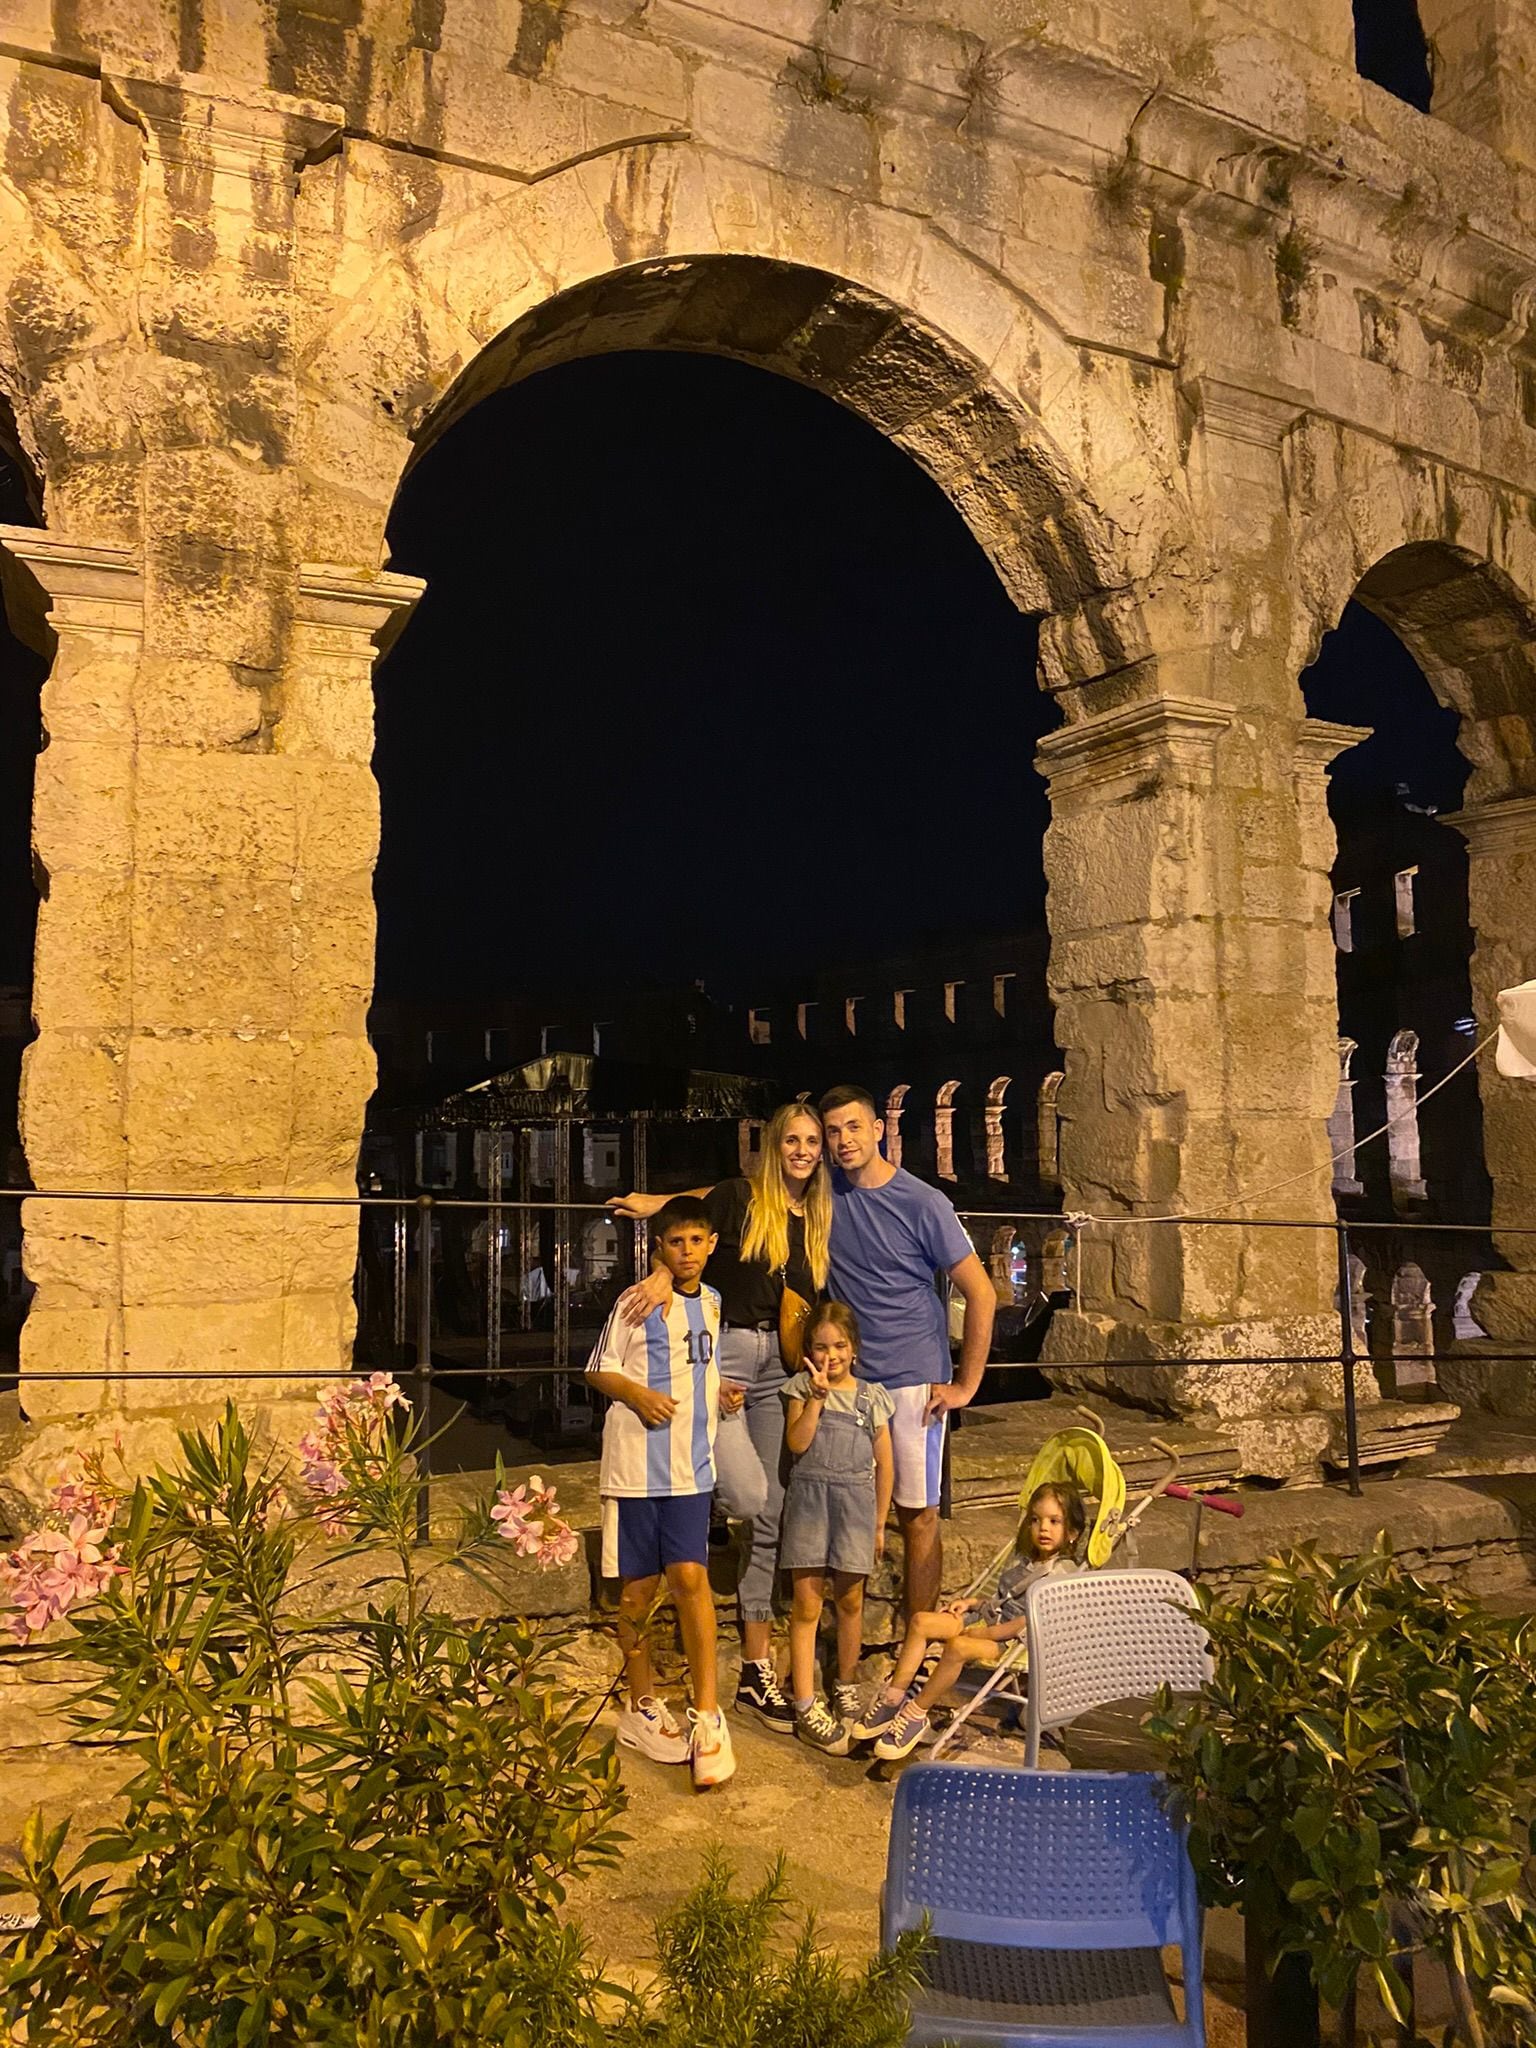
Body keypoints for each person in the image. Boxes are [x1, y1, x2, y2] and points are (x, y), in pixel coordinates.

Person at [607, 1103, 831, 1734]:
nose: (803, 1150)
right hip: (728, 1354)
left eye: (811, 1141)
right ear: (773, 1146)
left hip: (781, 1363)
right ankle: (693, 1521)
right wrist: (656, 1265)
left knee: (770, 1511)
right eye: (792, 1139)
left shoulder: (817, 1215)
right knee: (747, 1490)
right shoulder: (741, 1197)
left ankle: (756, 1667)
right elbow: (694, 1224)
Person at [818, 1084, 997, 1620]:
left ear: (878, 1129)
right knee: (844, 1504)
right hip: (849, 1379)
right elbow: (743, 1192)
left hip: (911, 1377)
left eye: (854, 1127)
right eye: (833, 1131)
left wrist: (966, 1386)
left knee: (916, 1513)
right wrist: (654, 1205)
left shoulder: (924, 1202)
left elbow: (981, 1291)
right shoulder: (824, 1190)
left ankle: (918, 1643)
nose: (844, 1140)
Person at [584, 1195, 735, 1789]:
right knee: (638, 1592)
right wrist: (637, 1394)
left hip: (691, 1468)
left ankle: (707, 1711)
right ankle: (641, 1705)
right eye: (676, 1243)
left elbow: (703, 1367)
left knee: (693, 1579)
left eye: (697, 1241)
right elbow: (598, 1367)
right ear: (659, 1248)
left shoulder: (716, 1305)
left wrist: (722, 1394)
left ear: (711, 1244)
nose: (688, 1252)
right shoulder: (639, 1300)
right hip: (636, 1468)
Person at [852, 1480, 1086, 1760]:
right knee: (920, 1622)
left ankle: (916, 1713)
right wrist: (972, 1603)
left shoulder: (1061, 1575)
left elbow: (1026, 1621)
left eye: (1054, 1521)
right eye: (1036, 1520)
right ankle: (893, 1697)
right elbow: (1003, 1600)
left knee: (958, 1647)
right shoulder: (1025, 1559)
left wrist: (985, 1635)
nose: (1043, 1528)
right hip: (989, 1620)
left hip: (1013, 1642)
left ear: (1072, 1532)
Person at [778, 1302, 894, 1755]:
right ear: (808, 1350)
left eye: (840, 1346)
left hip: (856, 1509)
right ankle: (806, 1701)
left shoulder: (872, 1397)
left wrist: (881, 1523)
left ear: (855, 1348)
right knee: (806, 1602)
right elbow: (797, 1443)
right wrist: (816, 1399)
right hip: (809, 1505)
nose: (831, 1356)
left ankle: (845, 1683)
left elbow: (885, 1463)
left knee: (850, 1599)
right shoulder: (799, 1390)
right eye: (821, 1347)